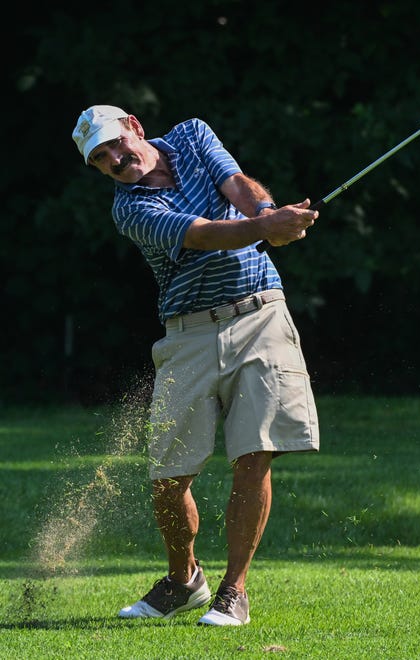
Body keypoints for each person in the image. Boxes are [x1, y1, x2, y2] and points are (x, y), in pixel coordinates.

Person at [72, 105, 320, 626]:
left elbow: (236, 185)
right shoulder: (130, 209)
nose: (115, 159)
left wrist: (268, 214)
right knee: (169, 475)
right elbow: (206, 234)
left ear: (135, 127)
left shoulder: (191, 135)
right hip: (189, 332)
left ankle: (234, 590)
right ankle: (185, 581)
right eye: (100, 159)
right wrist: (266, 225)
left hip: (260, 313)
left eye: (115, 144)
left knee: (253, 455)